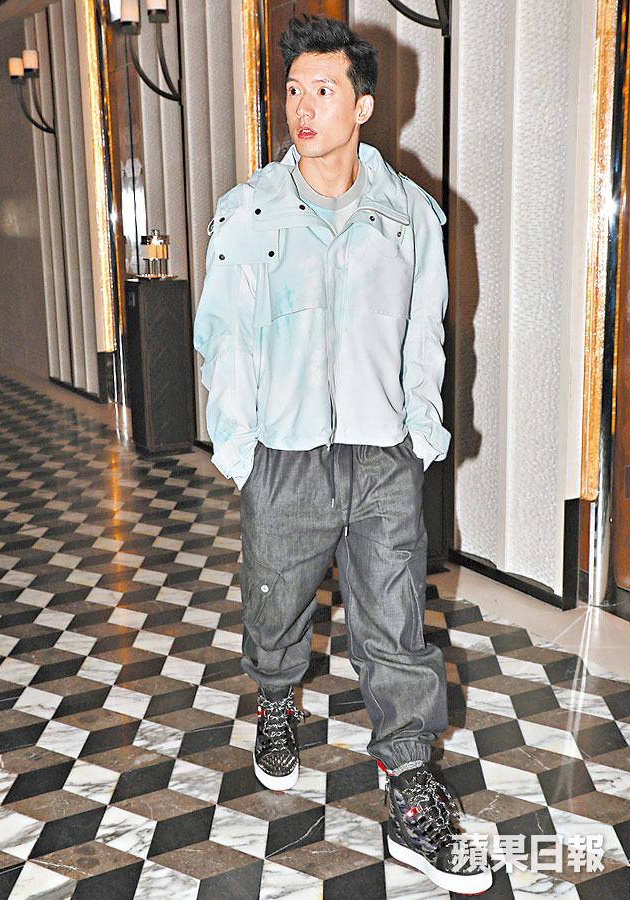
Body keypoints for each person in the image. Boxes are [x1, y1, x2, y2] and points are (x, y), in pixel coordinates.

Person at [193, 14, 492, 895]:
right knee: (275, 609)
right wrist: (240, 451)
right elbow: (225, 335)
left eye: (323, 90)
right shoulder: (248, 211)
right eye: (293, 89)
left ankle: (411, 794)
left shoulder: (412, 216)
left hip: (380, 454)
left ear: (361, 106)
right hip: (284, 454)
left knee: (395, 628)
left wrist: (421, 435)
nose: (303, 106)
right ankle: (276, 698)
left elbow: (426, 336)